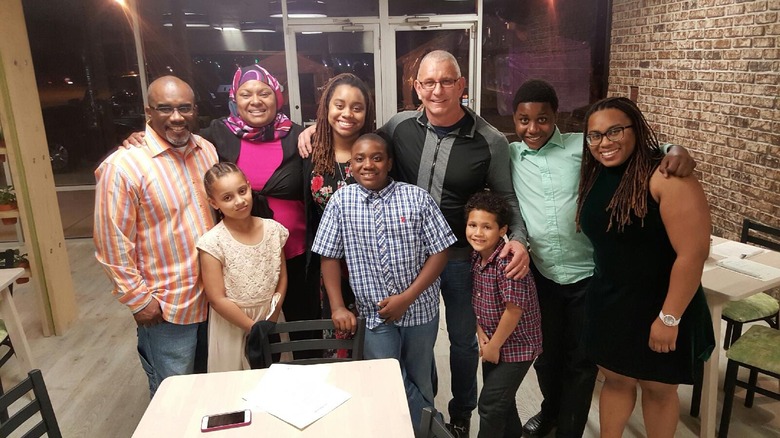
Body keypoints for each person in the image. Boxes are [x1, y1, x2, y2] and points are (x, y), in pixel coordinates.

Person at [301, 51, 530, 436]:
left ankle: (460, 414)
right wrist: (313, 128)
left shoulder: (489, 140)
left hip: (455, 256)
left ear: (462, 85)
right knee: (416, 339)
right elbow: (363, 144)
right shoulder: (399, 126)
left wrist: (519, 240)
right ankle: (422, 410)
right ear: (416, 87)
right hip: (402, 256)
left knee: (461, 340)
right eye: (428, 82)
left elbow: (507, 198)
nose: (436, 90)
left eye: (446, 82)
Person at [507, 79, 697, 437]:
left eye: (543, 119)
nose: (533, 128)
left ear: (557, 116)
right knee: (546, 356)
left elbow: (641, 149)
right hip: (544, 274)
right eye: (523, 120)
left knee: (582, 362)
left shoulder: (584, 146)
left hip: (590, 275)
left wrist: (676, 147)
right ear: (514, 120)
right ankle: (550, 412)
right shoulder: (512, 154)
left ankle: (570, 429)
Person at [124, 65, 320, 353]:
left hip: (295, 254)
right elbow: (175, 133)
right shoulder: (216, 135)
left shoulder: (298, 135)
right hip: (240, 262)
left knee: (303, 336)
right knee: (247, 343)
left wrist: (319, 128)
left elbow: (339, 142)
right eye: (246, 94)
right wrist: (139, 137)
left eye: (264, 93)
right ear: (234, 99)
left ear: (277, 97)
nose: (256, 100)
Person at [575, 96, 715, 437]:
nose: (604, 142)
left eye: (615, 131)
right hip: (610, 299)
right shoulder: (595, 173)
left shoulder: (667, 176)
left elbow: (692, 254)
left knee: (658, 388)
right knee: (616, 381)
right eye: (595, 135)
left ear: (635, 130)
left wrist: (669, 317)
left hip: (661, 304)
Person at [312, 133, 456, 434]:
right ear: (350, 165)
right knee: (388, 379)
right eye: (360, 159)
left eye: (377, 157)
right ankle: (434, 429)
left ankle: (422, 429)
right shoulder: (340, 202)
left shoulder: (416, 198)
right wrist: (338, 306)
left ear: (389, 162)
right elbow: (328, 257)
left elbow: (441, 251)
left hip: (420, 310)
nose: (368, 165)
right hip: (373, 313)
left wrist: (407, 297)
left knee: (419, 377)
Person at [94, 76, 218, 396]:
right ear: (149, 112)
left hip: (214, 298)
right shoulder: (123, 166)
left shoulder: (207, 151)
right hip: (166, 308)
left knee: (210, 387)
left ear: (195, 110)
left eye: (184, 108)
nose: (176, 117)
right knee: (173, 396)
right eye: (165, 109)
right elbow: (112, 243)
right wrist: (139, 301)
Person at [305, 73, 375, 357]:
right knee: (340, 348)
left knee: (378, 349)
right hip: (331, 267)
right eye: (339, 105)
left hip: (374, 267)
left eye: (357, 107)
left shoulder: (377, 152)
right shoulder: (310, 152)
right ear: (326, 108)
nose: (347, 113)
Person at [197, 162, 288, 372]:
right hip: (233, 324)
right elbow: (216, 298)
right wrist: (253, 328)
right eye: (227, 198)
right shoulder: (213, 242)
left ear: (249, 186)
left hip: (270, 316)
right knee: (236, 386)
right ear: (214, 202)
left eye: (242, 191)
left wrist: (271, 319)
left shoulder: (273, 230)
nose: (239, 201)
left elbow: (281, 277)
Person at [465, 191, 542, 438]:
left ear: (502, 230)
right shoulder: (477, 256)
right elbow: (477, 298)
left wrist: (494, 345)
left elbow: (514, 309)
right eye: (473, 225)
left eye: (487, 227)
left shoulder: (507, 261)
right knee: (502, 403)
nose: (478, 232)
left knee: (490, 404)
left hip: (516, 346)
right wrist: (481, 335)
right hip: (493, 343)